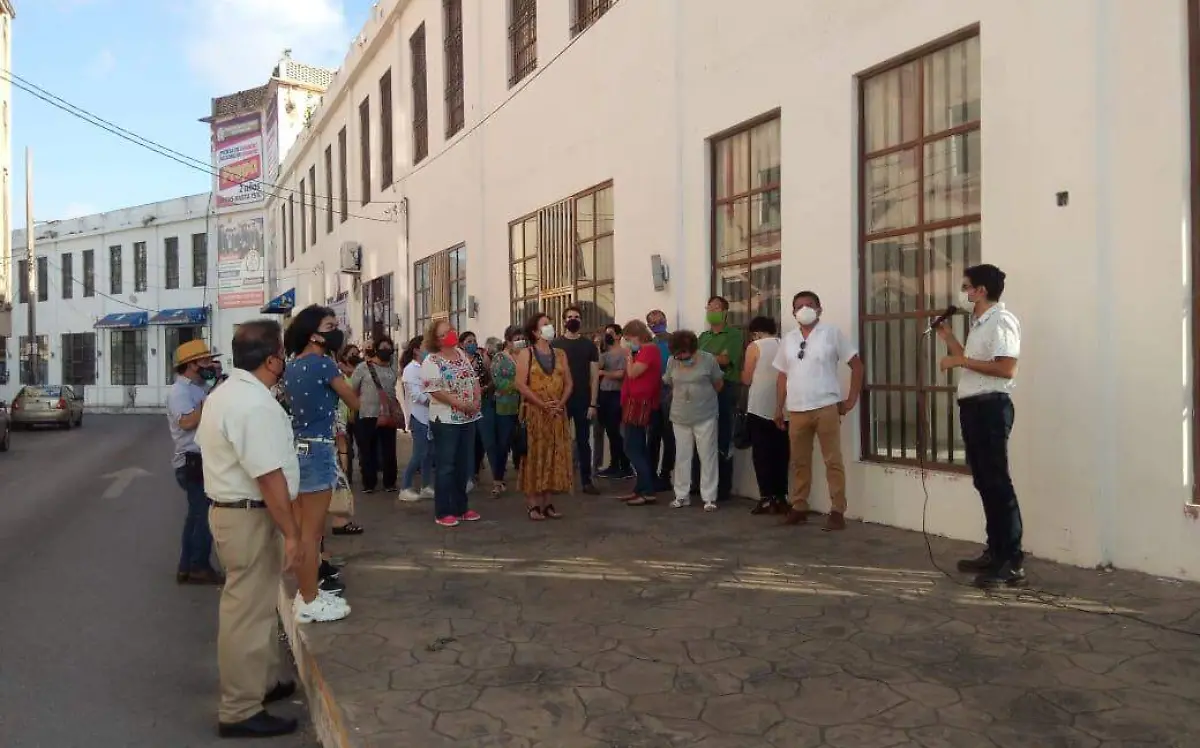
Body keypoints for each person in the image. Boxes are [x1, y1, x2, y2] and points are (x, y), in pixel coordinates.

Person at [196, 319, 302, 738]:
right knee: (247, 614)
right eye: (283, 353)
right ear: (273, 360)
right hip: (249, 515)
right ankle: (240, 708)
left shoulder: (228, 394)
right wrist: (292, 533)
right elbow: (268, 476)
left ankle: (263, 681)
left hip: (238, 513)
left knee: (257, 608)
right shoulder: (253, 404)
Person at [935, 263, 1024, 588]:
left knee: (997, 483)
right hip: (973, 407)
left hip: (991, 408)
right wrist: (950, 339)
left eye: (966, 287)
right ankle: (995, 551)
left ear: (981, 291)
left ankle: (1011, 561)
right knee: (984, 481)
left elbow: (1006, 368)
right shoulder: (979, 323)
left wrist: (959, 360)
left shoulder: (1002, 320)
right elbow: (974, 365)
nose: (963, 293)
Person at [282, 305, 359, 622]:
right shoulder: (325, 364)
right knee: (312, 535)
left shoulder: (291, 366)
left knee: (304, 530)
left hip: (297, 448)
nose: (336, 330)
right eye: (330, 326)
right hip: (319, 449)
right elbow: (353, 401)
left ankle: (307, 591)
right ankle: (309, 600)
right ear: (314, 334)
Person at [773, 291, 863, 532]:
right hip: (797, 408)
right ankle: (799, 506)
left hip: (826, 406)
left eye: (809, 304)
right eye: (799, 306)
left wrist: (851, 399)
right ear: (793, 312)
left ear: (819, 309)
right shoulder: (789, 339)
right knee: (799, 461)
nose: (804, 309)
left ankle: (837, 510)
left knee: (832, 460)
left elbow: (856, 365)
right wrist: (778, 407)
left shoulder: (831, 333)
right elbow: (782, 375)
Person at [167, 339, 224, 585]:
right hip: (192, 461)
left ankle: (187, 566)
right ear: (192, 365)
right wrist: (210, 398)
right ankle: (198, 566)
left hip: (200, 460)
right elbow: (187, 422)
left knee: (196, 516)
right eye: (205, 361)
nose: (210, 365)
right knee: (203, 516)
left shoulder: (198, 388)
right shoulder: (179, 392)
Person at [421, 320, 483, 527]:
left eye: (451, 330)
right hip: (446, 419)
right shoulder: (432, 360)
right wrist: (459, 404)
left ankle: (461, 508)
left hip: (468, 417)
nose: (452, 333)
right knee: (446, 465)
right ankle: (443, 511)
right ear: (436, 339)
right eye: (445, 332)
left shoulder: (460, 354)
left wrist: (476, 400)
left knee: (463, 464)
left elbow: (473, 379)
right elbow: (435, 390)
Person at [516, 313, 574, 520]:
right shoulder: (527, 353)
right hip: (535, 414)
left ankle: (548, 503)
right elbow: (520, 384)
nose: (550, 327)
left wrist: (560, 403)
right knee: (535, 456)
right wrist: (542, 404)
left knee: (553, 456)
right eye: (545, 324)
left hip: (557, 414)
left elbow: (569, 382)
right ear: (535, 331)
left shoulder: (560, 354)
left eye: (550, 323)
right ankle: (533, 504)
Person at [663, 330, 724, 512]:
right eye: (677, 354)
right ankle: (681, 495)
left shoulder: (708, 360)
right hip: (680, 415)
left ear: (693, 349)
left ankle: (709, 497)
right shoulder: (672, 361)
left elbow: (718, 384)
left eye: (684, 354)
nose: (681, 358)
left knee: (707, 455)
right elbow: (670, 382)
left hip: (705, 415)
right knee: (682, 456)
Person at [699, 296, 745, 502]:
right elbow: (693, 357)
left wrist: (703, 357)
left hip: (725, 388)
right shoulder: (704, 336)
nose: (711, 311)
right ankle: (702, 484)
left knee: (723, 435)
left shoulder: (734, 334)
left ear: (725, 312)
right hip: (703, 388)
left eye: (716, 308)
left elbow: (726, 360)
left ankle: (723, 487)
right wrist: (712, 357)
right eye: (709, 308)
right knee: (703, 436)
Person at [741, 316, 789, 514]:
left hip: (759, 406)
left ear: (755, 332)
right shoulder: (785, 344)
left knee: (762, 454)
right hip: (783, 407)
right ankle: (781, 496)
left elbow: (746, 378)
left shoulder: (755, 347)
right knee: (781, 453)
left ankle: (766, 497)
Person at [551, 306, 600, 495]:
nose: (573, 319)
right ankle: (558, 480)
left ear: (581, 320)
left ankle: (586, 481)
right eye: (570, 316)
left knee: (583, 442)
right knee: (558, 441)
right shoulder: (555, 345)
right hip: (561, 400)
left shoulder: (589, 346)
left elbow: (594, 377)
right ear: (564, 321)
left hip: (583, 401)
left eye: (577, 317)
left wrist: (593, 403)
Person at [618, 319, 663, 506]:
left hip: (640, 403)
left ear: (637, 336)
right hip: (634, 402)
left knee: (632, 447)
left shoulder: (649, 350)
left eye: (629, 339)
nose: (628, 343)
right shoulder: (644, 351)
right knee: (637, 446)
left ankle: (647, 490)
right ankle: (640, 488)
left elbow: (633, 373)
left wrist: (629, 356)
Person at [350, 337, 400, 494]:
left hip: (387, 414)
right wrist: (355, 407)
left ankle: (389, 482)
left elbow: (392, 389)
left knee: (389, 450)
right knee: (367, 450)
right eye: (383, 347)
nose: (386, 350)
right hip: (367, 414)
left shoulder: (391, 368)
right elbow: (353, 389)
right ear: (376, 349)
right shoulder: (363, 368)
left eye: (389, 347)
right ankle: (369, 483)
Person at [487, 325, 525, 497]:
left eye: (522, 338)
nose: (520, 342)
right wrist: (519, 385)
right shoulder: (499, 358)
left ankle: (525, 477)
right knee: (503, 444)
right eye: (516, 339)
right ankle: (498, 480)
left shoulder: (525, 356)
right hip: (505, 407)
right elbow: (498, 382)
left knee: (523, 442)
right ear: (508, 341)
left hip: (524, 406)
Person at [399, 336, 435, 501]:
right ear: (416, 350)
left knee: (429, 454)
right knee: (419, 453)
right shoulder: (411, 369)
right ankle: (405, 487)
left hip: (430, 417)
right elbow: (416, 395)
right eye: (425, 346)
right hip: (418, 417)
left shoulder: (427, 367)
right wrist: (435, 399)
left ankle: (426, 486)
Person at [595, 323, 632, 479]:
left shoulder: (624, 353)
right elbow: (596, 368)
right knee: (610, 431)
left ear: (618, 335)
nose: (608, 335)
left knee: (616, 431)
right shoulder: (605, 353)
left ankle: (625, 466)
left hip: (617, 394)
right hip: (604, 393)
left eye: (610, 333)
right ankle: (614, 464)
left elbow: (621, 374)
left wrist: (604, 373)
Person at [646, 309, 676, 490]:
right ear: (649, 326)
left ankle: (665, 474)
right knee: (653, 436)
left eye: (660, 320)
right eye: (653, 322)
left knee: (670, 437)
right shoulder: (649, 345)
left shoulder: (674, 342)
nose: (657, 324)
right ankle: (651, 474)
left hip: (671, 395)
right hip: (653, 395)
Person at [461, 330, 494, 489]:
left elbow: (492, 379)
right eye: (469, 341)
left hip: (482, 402)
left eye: (474, 341)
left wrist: (484, 389)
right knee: (468, 438)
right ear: (461, 344)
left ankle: (475, 469)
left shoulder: (482, 359)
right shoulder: (458, 360)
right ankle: (468, 471)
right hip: (465, 404)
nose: (472, 344)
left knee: (480, 438)